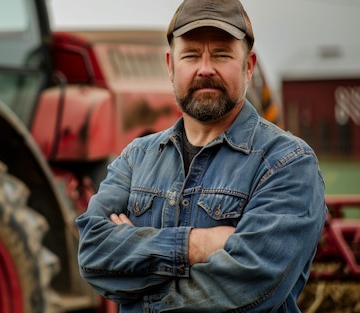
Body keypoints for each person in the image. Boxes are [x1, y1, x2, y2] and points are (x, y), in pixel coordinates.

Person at [75, 0, 327, 312]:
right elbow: (93, 255)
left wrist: (142, 296)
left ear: (248, 66)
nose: (205, 68)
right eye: (191, 55)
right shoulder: (136, 157)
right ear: (170, 65)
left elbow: (252, 285)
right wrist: (200, 245)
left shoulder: (287, 163)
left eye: (221, 54)